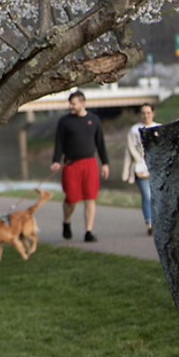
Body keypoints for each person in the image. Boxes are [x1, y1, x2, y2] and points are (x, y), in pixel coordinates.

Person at [50, 90, 110, 243]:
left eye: (73, 103)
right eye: (70, 103)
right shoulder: (64, 121)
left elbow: (100, 143)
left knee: (90, 198)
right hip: (71, 164)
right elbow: (59, 143)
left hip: (89, 163)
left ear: (82, 103)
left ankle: (88, 231)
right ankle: (66, 222)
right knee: (71, 198)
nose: (71, 106)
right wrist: (56, 160)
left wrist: (105, 163)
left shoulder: (94, 120)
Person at [122, 102, 160, 236]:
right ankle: (149, 223)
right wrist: (126, 171)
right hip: (140, 168)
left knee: (157, 196)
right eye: (143, 113)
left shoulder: (159, 128)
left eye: (148, 113)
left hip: (157, 168)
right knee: (147, 195)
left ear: (153, 113)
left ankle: (159, 222)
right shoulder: (134, 130)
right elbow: (129, 150)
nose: (146, 116)